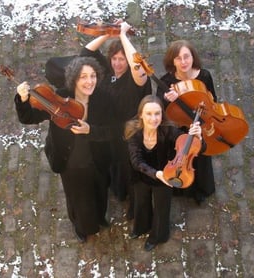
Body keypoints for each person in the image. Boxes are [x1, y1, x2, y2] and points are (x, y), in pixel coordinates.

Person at [15, 56, 114, 243]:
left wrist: (91, 130)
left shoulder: (104, 99)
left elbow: (114, 130)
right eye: (83, 76)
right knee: (76, 196)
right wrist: (23, 99)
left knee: (100, 189)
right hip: (68, 158)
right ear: (74, 78)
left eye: (92, 76)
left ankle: (100, 217)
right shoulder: (59, 96)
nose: (89, 81)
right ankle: (81, 227)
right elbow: (29, 117)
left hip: (97, 156)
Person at [80, 21, 152, 219]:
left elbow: (138, 65)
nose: (118, 63)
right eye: (114, 58)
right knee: (112, 165)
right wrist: (108, 33)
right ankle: (118, 190)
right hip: (107, 131)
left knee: (130, 169)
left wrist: (123, 36)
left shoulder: (134, 79)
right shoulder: (105, 71)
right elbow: (85, 53)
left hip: (127, 133)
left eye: (122, 59)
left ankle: (135, 206)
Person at [124, 95, 205, 251]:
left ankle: (157, 236)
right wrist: (156, 174)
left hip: (167, 174)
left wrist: (198, 137)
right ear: (141, 114)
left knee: (162, 208)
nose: (153, 119)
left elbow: (193, 148)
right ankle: (141, 227)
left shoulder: (169, 130)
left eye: (157, 113)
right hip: (142, 174)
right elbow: (137, 162)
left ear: (162, 114)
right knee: (141, 203)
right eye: (149, 114)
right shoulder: (134, 132)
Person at [156, 39, 216, 204]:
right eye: (178, 58)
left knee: (200, 154)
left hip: (198, 126)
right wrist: (167, 101)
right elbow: (159, 111)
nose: (183, 62)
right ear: (172, 61)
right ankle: (180, 184)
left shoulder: (204, 76)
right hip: (179, 129)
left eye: (186, 57)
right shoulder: (166, 82)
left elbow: (213, 102)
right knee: (180, 153)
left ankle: (201, 189)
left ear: (193, 57)